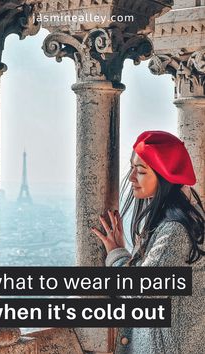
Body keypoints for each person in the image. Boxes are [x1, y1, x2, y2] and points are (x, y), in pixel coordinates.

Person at [91, 131, 205, 354]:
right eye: (132, 168)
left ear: (164, 177)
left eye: (141, 171)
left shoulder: (175, 230)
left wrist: (116, 255)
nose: (132, 177)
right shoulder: (184, 217)